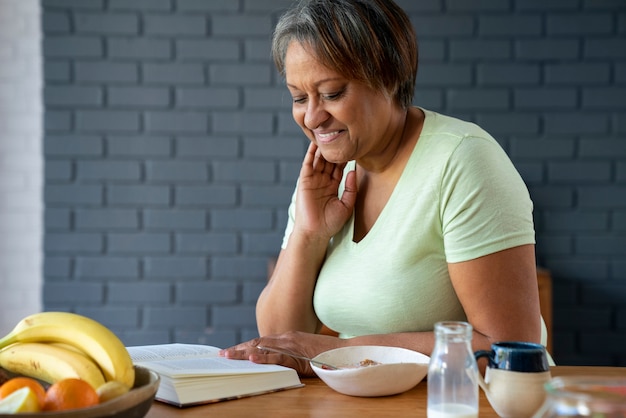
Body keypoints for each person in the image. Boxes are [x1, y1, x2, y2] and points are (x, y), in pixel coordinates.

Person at [220, 0, 545, 376]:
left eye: (332, 93)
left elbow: (511, 351)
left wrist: (341, 352)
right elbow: (280, 339)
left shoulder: (463, 160)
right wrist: (309, 234)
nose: (311, 117)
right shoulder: (329, 173)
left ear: (389, 76)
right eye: (298, 97)